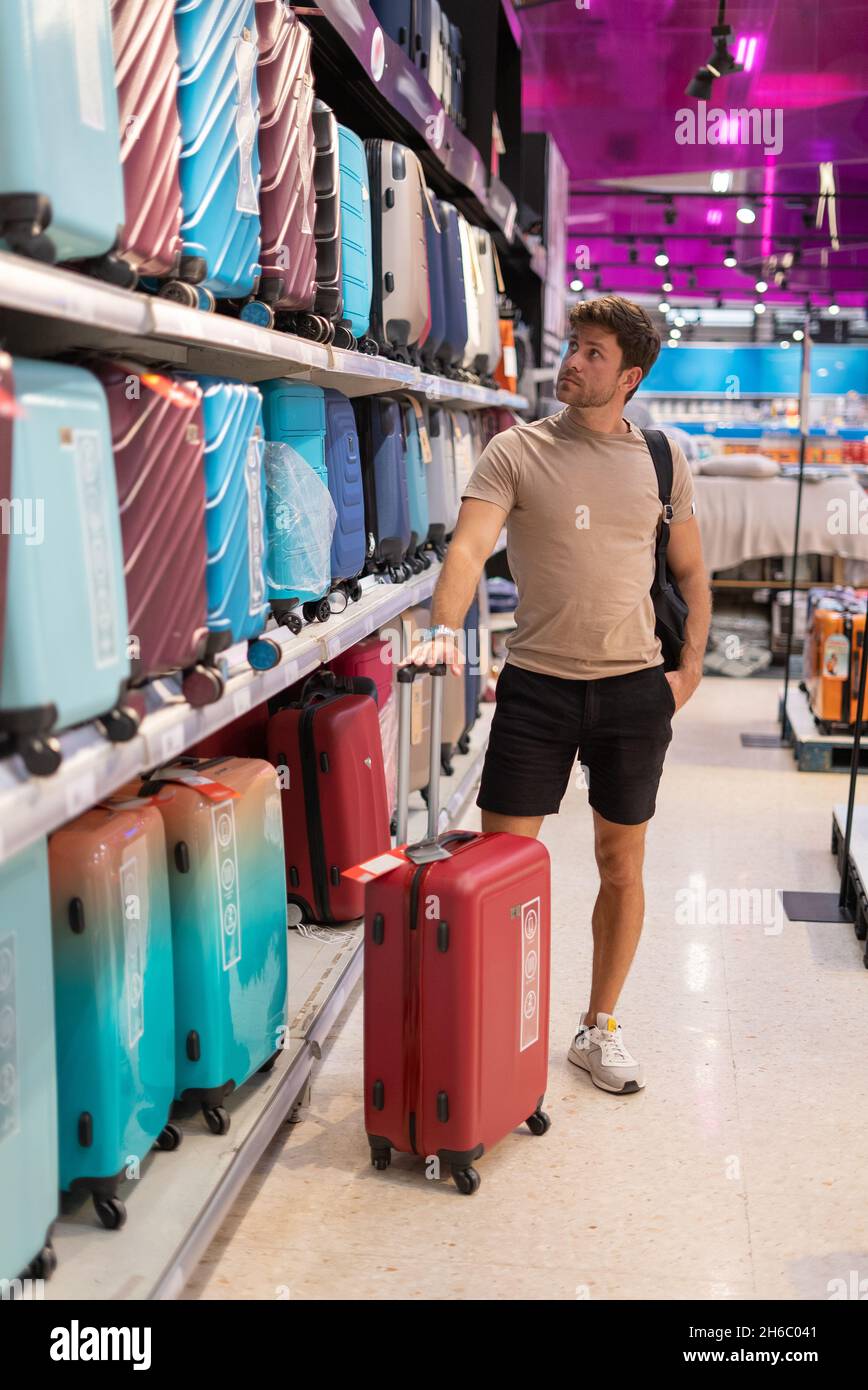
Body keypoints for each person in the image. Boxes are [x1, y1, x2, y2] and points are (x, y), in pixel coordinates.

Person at [403, 295, 711, 1094]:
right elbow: (469, 550)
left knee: (621, 862)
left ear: (629, 375)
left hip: (636, 690)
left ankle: (598, 1026)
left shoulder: (661, 458)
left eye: (594, 353)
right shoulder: (515, 451)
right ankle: (496, 1030)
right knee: (506, 867)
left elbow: (689, 571)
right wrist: (443, 624)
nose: (572, 362)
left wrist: (691, 667)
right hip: (537, 687)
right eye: (573, 345)